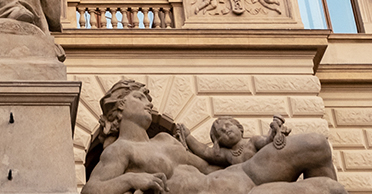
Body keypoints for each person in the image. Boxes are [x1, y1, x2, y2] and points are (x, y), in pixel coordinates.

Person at [82, 80, 343, 194]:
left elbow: (210, 164)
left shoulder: (165, 140)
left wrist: (254, 146)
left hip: (242, 174)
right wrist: (131, 178)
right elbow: (92, 190)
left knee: (316, 145)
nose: (148, 104)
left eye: (148, 99)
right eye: (139, 98)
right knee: (331, 190)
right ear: (119, 108)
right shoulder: (120, 151)